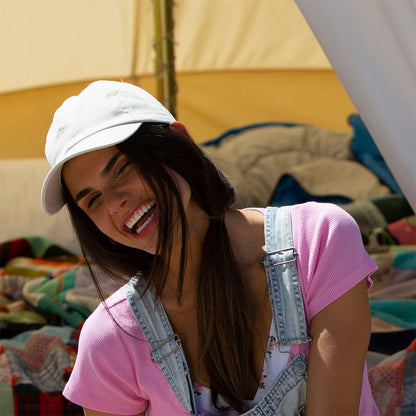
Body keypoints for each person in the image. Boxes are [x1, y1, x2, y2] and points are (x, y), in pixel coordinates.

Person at [41, 80, 380, 416]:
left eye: (122, 169)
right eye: (93, 200)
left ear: (178, 141)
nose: (115, 203)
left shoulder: (319, 240)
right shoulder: (111, 337)